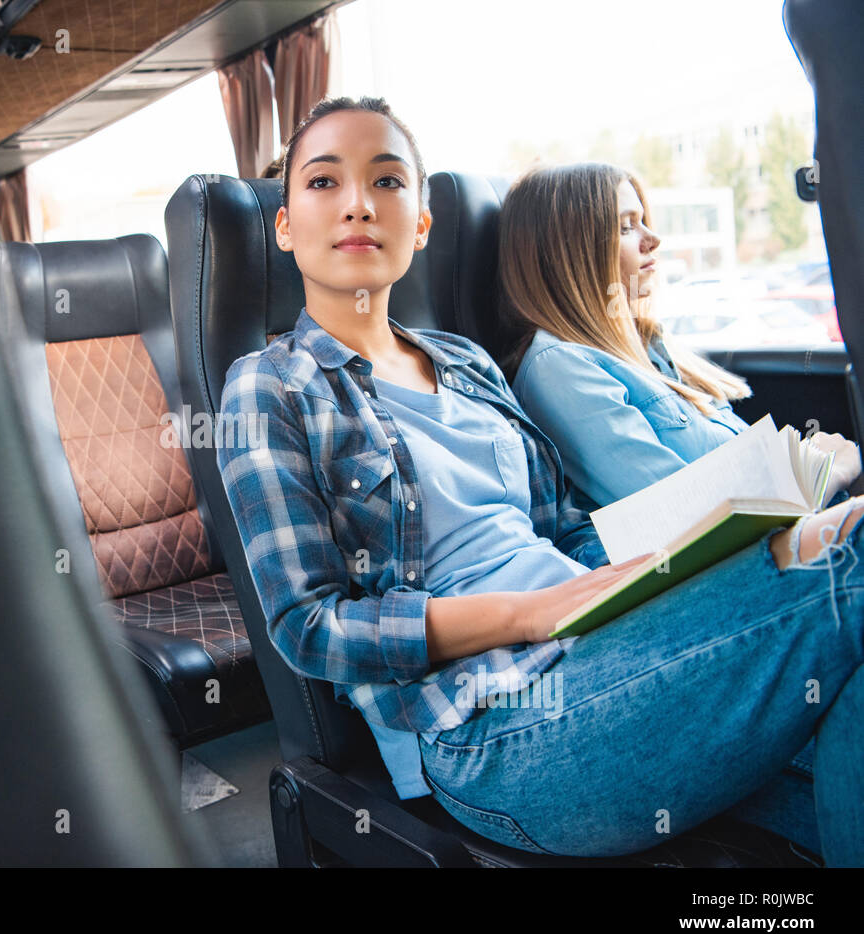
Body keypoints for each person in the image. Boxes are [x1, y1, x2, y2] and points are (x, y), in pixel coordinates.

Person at [215, 95, 864, 864]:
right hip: (491, 729)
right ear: (285, 225)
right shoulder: (268, 388)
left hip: (613, 642)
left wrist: (707, 552)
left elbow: (566, 535)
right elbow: (308, 625)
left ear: (420, 223)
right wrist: (525, 614)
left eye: (388, 182)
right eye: (324, 183)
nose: (358, 203)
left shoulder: (469, 363)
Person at [497, 162, 860, 510]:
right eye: (626, 227)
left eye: (642, 222)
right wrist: (823, 472)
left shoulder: (648, 346)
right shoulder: (559, 369)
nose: (653, 239)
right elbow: (683, 515)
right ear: (572, 256)